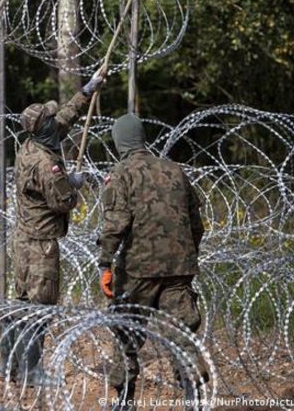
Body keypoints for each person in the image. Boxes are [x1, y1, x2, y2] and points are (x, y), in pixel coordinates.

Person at [0, 74, 104, 387]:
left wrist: (87, 91)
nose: (54, 120)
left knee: (20, 302)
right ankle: (31, 371)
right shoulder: (44, 162)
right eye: (49, 118)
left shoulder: (33, 143)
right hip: (41, 243)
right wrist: (73, 185)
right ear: (42, 126)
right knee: (39, 307)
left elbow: (65, 117)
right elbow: (63, 202)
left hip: (23, 239)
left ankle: (8, 365)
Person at [96, 113, 208, 406]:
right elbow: (197, 223)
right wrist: (186, 254)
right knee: (181, 332)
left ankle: (124, 400)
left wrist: (104, 264)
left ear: (120, 142)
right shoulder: (174, 170)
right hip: (179, 267)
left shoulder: (123, 173)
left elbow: (116, 224)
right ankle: (193, 398)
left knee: (126, 332)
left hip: (139, 268)